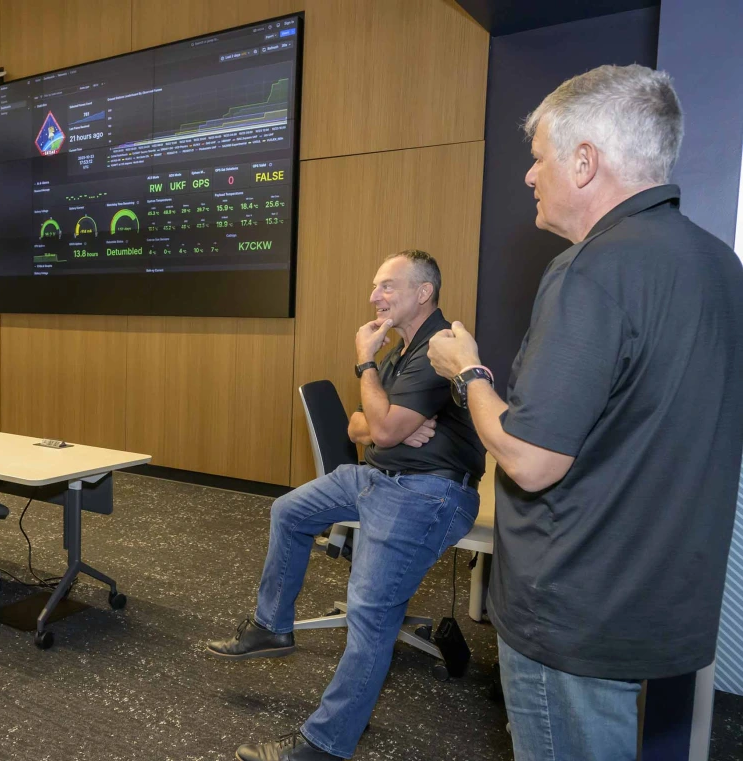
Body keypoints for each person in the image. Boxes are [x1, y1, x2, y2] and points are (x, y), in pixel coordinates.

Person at [428, 64, 743, 761]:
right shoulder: (721, 266)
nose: (529, 177)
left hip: (573, 611)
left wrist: (469, 371)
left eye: (538, 158)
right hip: (664, 601)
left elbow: (531, 459)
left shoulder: (592, 269)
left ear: (583, 161)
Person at [208, 250, 485, 760]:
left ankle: (324, 745)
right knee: (288, 511)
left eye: (387, 287)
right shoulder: (404, 348)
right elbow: (363, 426)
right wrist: (380, 427)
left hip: (427, 493)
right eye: (375, 286)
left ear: (424, 293)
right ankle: (273, 627)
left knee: (370, 615)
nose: (374, 297)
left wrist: (365, 367)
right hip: (380, 474)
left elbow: (377, 426)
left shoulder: (437, 349)